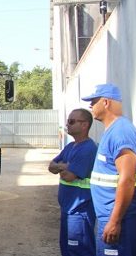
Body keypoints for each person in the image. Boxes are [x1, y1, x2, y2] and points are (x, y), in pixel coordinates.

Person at [81, 84, 136, 256]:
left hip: (120, 221)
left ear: (106, 102)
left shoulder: (121, 132)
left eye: (93, 102)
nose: (90, 106)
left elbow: (127, 179)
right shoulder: (112, 131)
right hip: (109, 217)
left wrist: (115, 221)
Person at [48, 108, 98, 256]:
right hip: (68, 210)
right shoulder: (70, 146)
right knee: (68, 249)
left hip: (80, 211)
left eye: (71, 121)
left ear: (84, 125)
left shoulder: (88, 148)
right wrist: (65, 166)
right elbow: (51, 166)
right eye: (68, 121)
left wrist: (63, 167)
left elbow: (68, 176)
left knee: (79, 250)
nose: (67, 124)